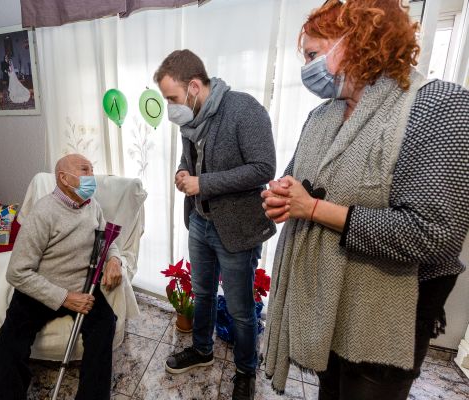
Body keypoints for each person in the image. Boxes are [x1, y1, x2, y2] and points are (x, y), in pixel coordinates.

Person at [262, 1, 469, 398]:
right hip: (328, 299)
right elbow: (296, 183)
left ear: (355, 42)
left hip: (385, 315)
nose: (305, 68)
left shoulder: (436, 106)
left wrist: (314, 209)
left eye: (312, 54)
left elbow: (434, 233)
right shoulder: (323, 117)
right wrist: (281, 197)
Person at [154, 49, 276, 400]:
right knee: (203, 293)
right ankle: (203, 350)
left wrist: (203, 184)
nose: (169, 106)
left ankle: (245, 371)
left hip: (237, 228)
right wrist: (182, 171)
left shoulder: (244, 109)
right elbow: (188, 157)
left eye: (172, 97)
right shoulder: (190, 118)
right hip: (200, 222)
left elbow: (263, 168)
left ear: (194, 86)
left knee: (239, 308)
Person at [0, 154, 123, 400]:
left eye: (92, 170)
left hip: (83, 288)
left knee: (105, 325)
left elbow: (107, 241)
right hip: (39, 289)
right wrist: (64, 298)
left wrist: (114, 259)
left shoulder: (92, 205)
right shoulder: (43, 212)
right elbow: (17, 272)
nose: (92, 177)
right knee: (9, 347)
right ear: (64, 178)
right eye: (85, 170)